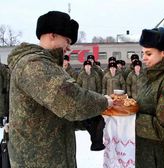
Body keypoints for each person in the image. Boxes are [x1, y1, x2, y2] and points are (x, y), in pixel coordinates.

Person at [7, 11, 113, 168]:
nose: (69, 48)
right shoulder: (34, 66)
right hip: (38, 161)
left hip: (51, 157)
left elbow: (52, 113)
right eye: (67, 41)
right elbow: (71, 101)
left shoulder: (47, 65)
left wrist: (86, 121)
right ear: (52, 35)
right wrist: (104, 102)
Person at [135, 27, 164, 168]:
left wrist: (129, 119)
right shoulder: (151, 75)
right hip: (146, 152)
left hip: (159, 157)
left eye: (148, 53)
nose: (143, 58)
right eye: (142, 53)